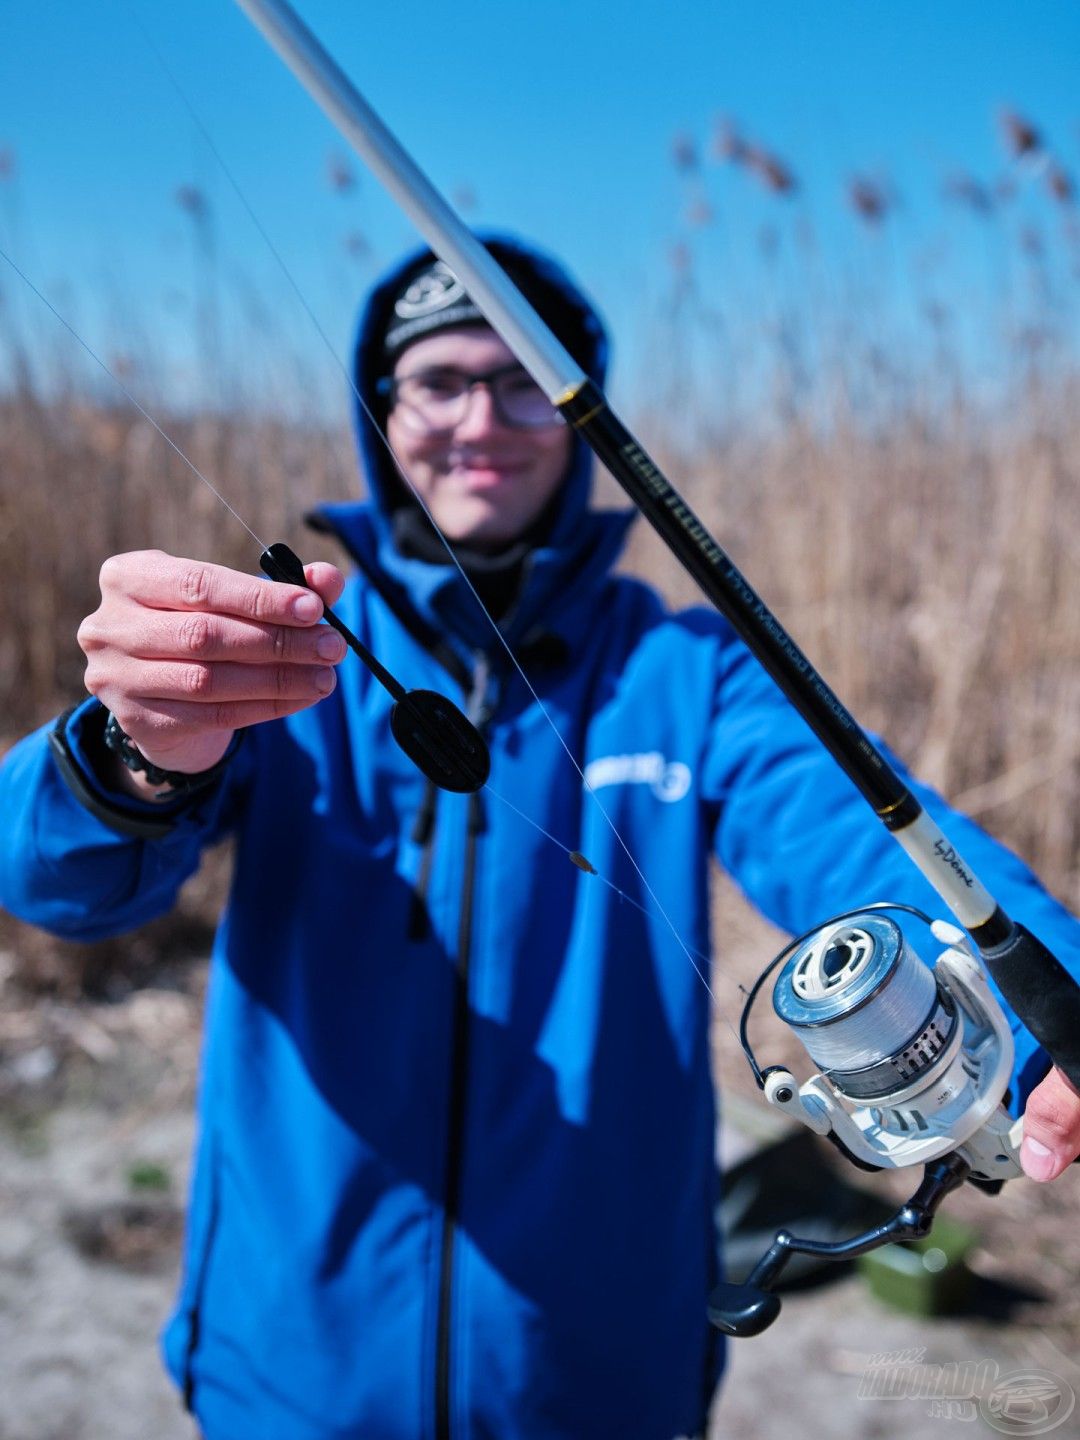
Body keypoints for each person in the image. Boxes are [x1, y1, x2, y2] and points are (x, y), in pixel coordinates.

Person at [1, 235, 1078, 1440]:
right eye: (438, 381)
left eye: (524, 378)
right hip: (292, 1370)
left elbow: (864, 833)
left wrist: (1048, 991)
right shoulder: (291, 668)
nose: (481, 417)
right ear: (384, 411)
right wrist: (141, 744)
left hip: (596, 1379)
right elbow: (58, 888)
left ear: (577, 411)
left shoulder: (686, 672)